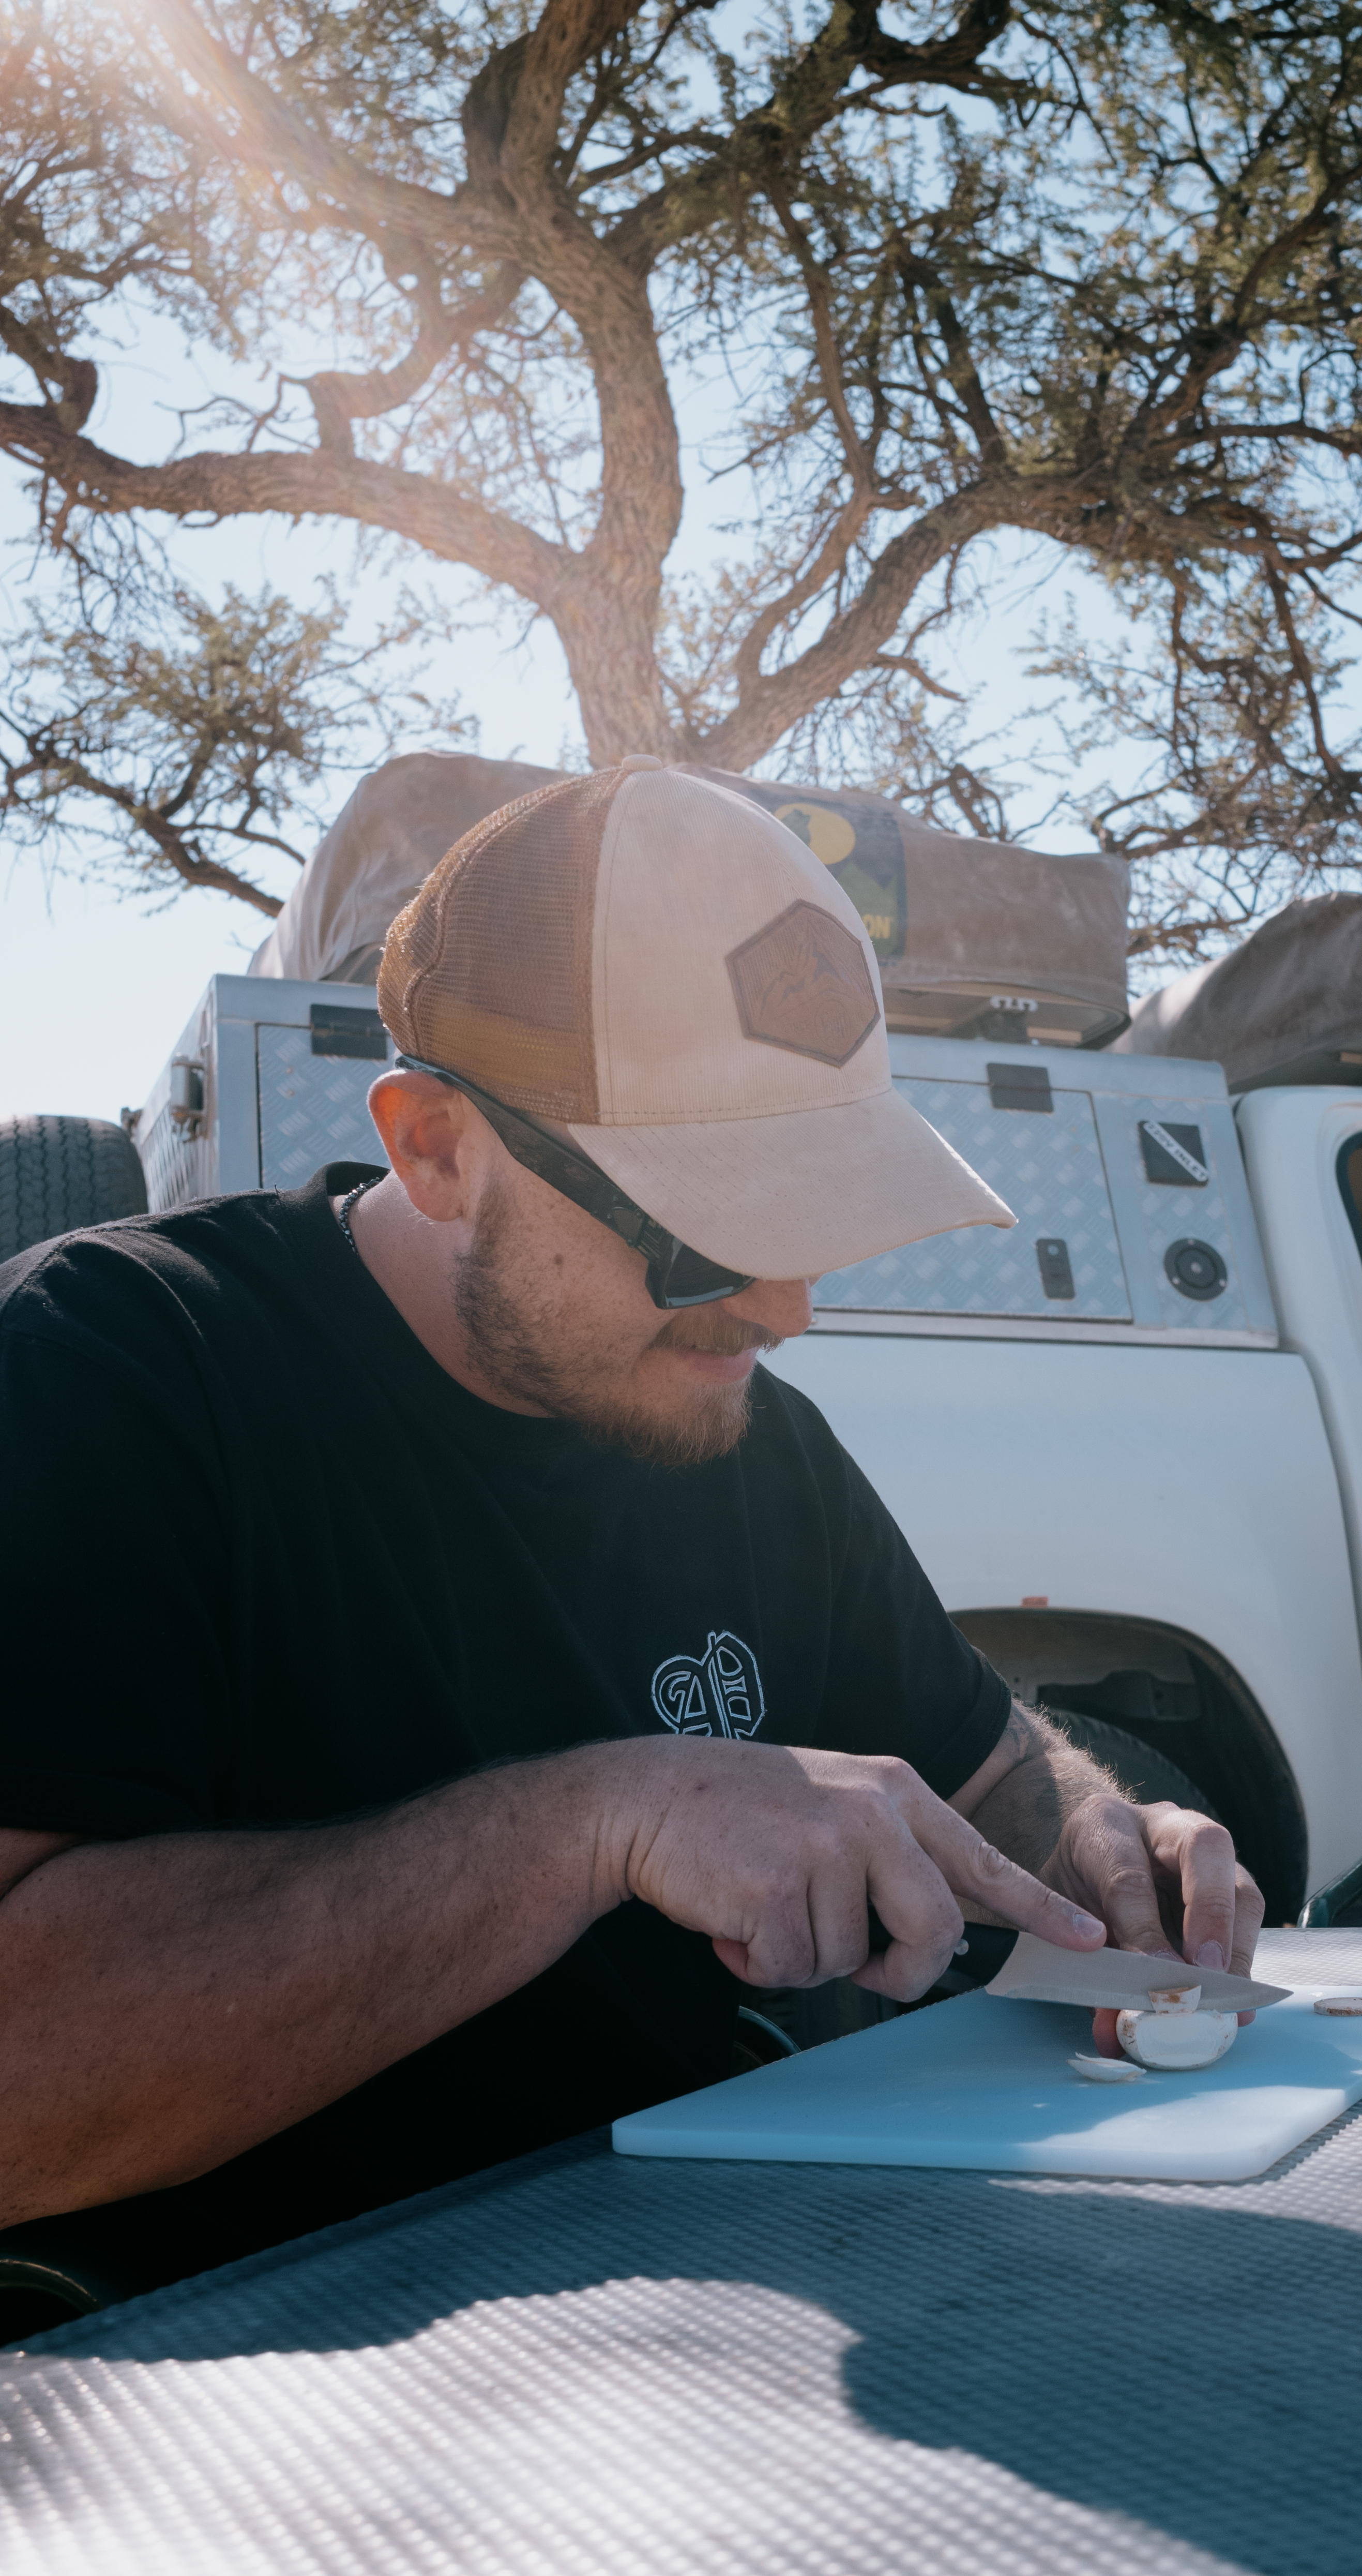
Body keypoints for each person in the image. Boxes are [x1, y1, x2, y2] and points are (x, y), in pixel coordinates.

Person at [0, 759, 1260, 2300]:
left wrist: (1102, 1842)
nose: (783, 1308)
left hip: (700, 2320)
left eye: (814, 1218)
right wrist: (597, 1822)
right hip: (211, 2381)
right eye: (699, 1235)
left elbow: (983, 1763)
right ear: (436, 1145)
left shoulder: (741, 1431)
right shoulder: (114, 1370)